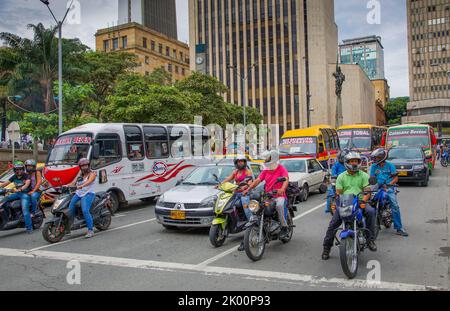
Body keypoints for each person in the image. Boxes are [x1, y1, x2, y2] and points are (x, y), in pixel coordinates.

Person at [321, 152, 377, 260]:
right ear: (347, 163)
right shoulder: (341, 177)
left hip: (360, 202)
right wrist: (339, 202)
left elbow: (367, 192)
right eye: (352, 161)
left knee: (370, 212)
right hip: (345, 203)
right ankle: (326, 248)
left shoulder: (364, 175)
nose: (354, 163)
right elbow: (339, 192)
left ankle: (370, 240)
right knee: (333, 224)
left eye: (356, 161)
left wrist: (363, 201)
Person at [243, 150, 290, 239]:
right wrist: (248, 189)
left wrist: (282, 189)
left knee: (279, 206)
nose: (266, 160)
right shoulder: (265, 171)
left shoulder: (281, 168)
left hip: (279, 195)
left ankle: (284, 227)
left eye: (268, 158)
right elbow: (257, 181)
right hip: (268, 196)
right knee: (258, 208)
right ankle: (249, 234)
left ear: (273, 158)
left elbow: (286, 179)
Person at [370, 148, 408, 237]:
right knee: (370, 203)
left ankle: (399, 228)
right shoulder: (374, 166)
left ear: (382, 157)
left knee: (394, 205)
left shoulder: (390, 165)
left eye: (376, 158)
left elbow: (395, 178)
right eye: (374, 158)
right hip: (377, 187)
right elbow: (372, 178)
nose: (374, 159)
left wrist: (388, 184)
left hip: (389, 187)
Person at [219, 155, 254, 251]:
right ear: (236, 163)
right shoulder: (235, 172)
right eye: (238, 162)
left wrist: (244, 188)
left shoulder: (248, 171)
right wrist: (220, 184)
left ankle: (252, 221)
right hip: (235, 192)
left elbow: (250, 182)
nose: (240, 163)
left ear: (244, 162)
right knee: (228, 205)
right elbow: (228, 179)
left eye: (242, 161)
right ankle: (233, 222)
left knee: (246, 208)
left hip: (245, 193)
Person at [67, 158, 97, 238]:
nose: (84, 167)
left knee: (85, 210)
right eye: (82, 166)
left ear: (88, 165)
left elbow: (89, 181)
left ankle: (90, 230)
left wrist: (81, 186)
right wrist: (67, 185)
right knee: (70, 208)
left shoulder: (92, 173)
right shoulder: (80, 173)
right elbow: (74, 182)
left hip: (88, 193)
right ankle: (70, 225)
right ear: (80, 167)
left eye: (86, 165)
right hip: (78, 193)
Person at [0, 161, 33, 233]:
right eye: (17, 169)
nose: (19, 171)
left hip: (25, 194)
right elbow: (5, 183)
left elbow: (27, 184)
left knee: (25, 210)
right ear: (15, 170)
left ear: (23, 169)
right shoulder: (14, 176)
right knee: (5, 200)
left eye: (20, 169)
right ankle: (8, 217)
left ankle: (29, 227)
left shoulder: (26, 176)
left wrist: (21, 189)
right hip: (17, 194)